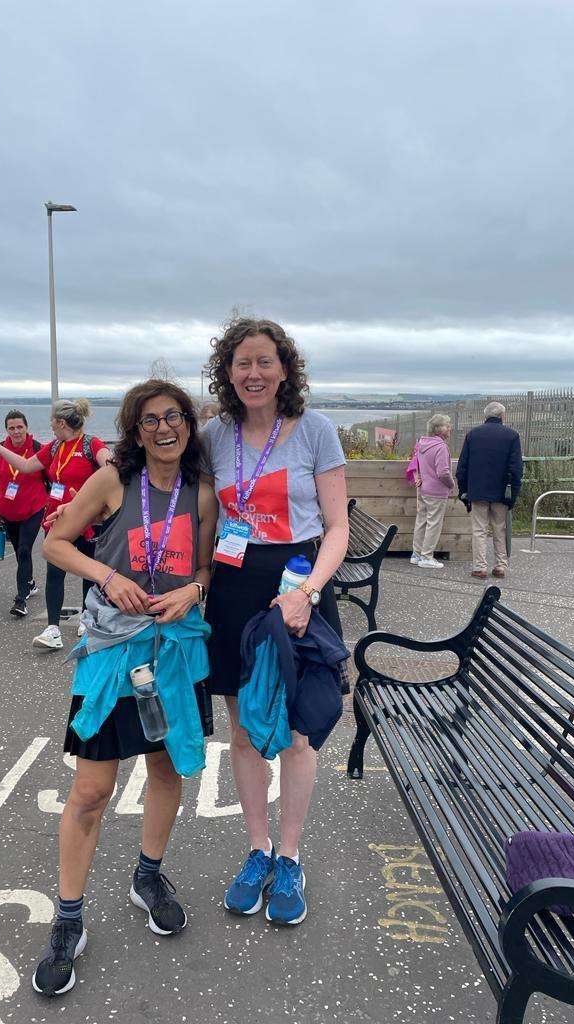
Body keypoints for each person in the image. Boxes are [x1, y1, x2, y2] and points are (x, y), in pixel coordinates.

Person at [32, 379, 217, 998]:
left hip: (175, 651)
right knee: (90, 789)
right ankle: (68, 919)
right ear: (135, 432)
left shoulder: (202, 490)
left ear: (188, 423)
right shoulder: (113, 481)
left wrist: (196, 588)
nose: (164, 429)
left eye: (174, 417)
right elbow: (54, 543)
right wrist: (107, 576)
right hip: (113, 653)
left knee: (168, 768)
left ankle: (148, 875)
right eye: (150, 421)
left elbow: (207, 564)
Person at [201, 317, 349, 927]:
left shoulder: (315, 431)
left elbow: (337, 525)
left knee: (293, 732)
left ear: (285, 369)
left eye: (265, 362)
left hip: (298, 584)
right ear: (227, 373)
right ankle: (256, 850)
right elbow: (197, 512)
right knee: (243, 729)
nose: (254, 373)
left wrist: (309, 592)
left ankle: (290, 855)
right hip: (235, 586)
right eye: (243, 363)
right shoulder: (213, 434)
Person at [0, 398, 112, 649]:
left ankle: (87, 615)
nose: (50, 426)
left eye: (52, 422)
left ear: (60, 422)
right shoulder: (55, 447)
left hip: (89, 519)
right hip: (58, 518)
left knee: (89, 570)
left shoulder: (91, 444)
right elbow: (26, 466)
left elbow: (111, 467)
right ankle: (53, 629)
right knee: (54, 571)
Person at [0, 409, 48, 617]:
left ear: (26, 427)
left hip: (33, 509)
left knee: (24, 550)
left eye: (19, 427)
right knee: (19, 552)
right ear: (6, 430)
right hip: (8, 511)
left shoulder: (38, 449)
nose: (16, 431)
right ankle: (29, 583)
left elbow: (52, 477)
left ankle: (21, 600)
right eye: (11, 428)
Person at [456, 401, 523, 579]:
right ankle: (500, 566)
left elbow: (462, 467)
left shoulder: (473, 435)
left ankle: (480, 567)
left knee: (479, 529)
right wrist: (513, 494)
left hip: (477, 491)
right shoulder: (512, 436)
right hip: (502, 492)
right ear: (502, 416)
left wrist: (464, 492)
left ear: (485, 416)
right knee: (499, 528)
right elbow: (516, 469)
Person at [410, 414, 456, 569]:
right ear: (440, 429)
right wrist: (451, 484)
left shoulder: (422, 443)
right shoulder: (441, 447)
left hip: (423, 489)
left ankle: (416, 554)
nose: (450, 428)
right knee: (434, 523)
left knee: (421, 521)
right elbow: (443, 472)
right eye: (448, 425)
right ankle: (427, 556)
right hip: (437, 491)